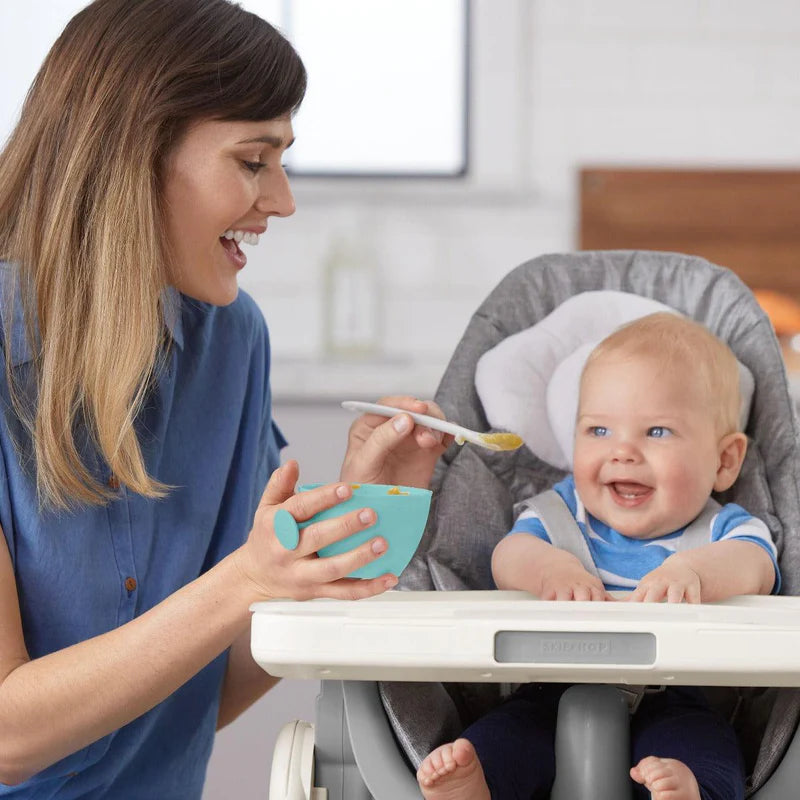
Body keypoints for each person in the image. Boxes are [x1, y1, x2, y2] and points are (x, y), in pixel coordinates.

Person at [0, 1, 450, 796]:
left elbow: (206, 699)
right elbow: (7, 738)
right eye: (252, 160)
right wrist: (247, 580)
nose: (281, 200)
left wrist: (363, 518)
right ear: (133, 152)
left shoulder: (231, 341)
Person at [417, 312, 780, 800]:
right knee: (507, 737)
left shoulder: (723, 529)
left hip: (680, 698)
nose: (622, 451)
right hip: (550, 691)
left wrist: (692, 570)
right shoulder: (560, 514)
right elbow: (509, 554)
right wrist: (551, 569)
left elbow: (754, 567)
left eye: (656, 432)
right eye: (598, 431)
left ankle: (694, 792)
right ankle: (476, 785)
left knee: (706, 750)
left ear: (725, 460)